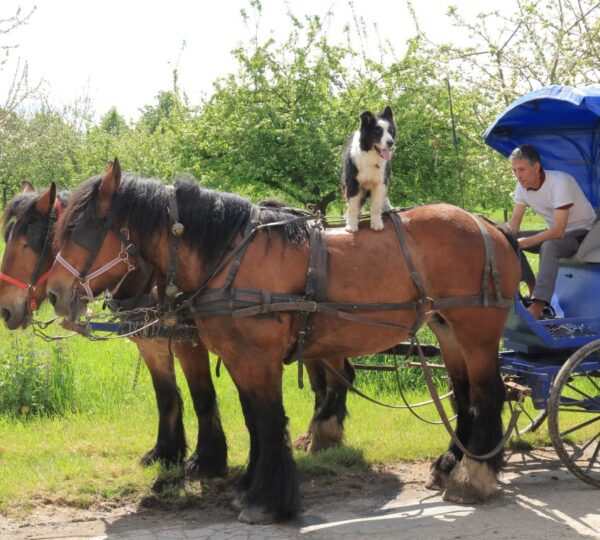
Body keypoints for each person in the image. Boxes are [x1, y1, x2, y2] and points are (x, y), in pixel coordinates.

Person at [507, 144, 596, 320]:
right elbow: (513, 226)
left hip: (584, 234)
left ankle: (539, 306)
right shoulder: (521, 188)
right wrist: (499, 235)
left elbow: (558, 231)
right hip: (559, 232)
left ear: (536, 167)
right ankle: (531, 286)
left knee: (549, 246)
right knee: (509, 239)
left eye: (522, 170)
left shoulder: (560, 182)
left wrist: (524, 243)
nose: (518, 175)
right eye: (514, 170)